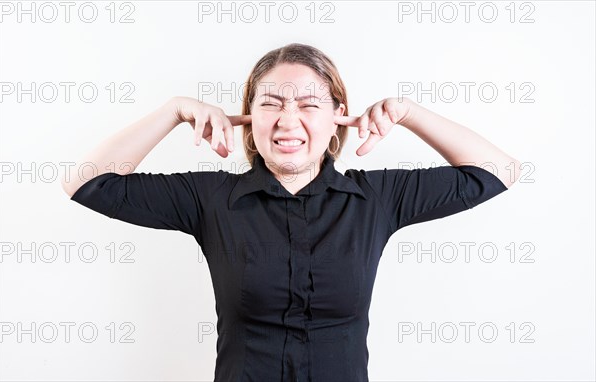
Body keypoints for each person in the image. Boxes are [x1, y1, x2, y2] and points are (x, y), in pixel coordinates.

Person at [61, 43, 520, 382]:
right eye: (271, 104)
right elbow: (84, 181)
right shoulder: (211, 198)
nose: (287, 120)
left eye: (308, 104)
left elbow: (499, 170)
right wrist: (174, 110)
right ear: (248, 116)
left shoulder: (378, 197)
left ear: (339, 115)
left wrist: (409, 113)